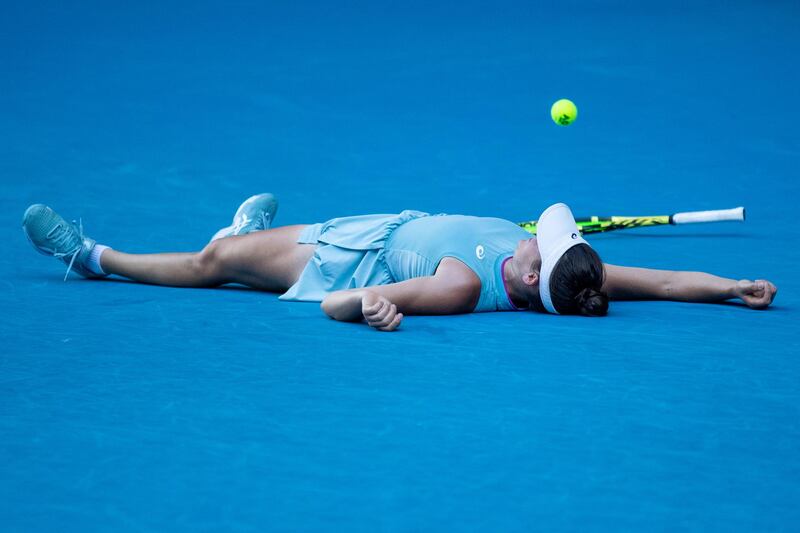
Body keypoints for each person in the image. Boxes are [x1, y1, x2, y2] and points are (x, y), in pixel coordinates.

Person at [22, 194, 778, 332]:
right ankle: (244, 237)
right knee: (228, 251)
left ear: (526, 273)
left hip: (339, 261)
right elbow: (673, 282)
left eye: (541, 241)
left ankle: (91, 256)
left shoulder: (459, 286)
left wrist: (370, 306)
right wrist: (734, 287)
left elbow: (337, 306)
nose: (535, 235)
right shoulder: (572, 274)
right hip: (376, 222)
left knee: (207, 262)